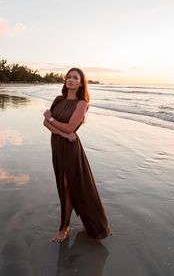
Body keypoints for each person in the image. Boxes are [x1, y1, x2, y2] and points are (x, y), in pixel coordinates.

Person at [43, 68, 110, 243]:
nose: (71, 80)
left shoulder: (82, 103)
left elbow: (69, 127)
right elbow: (46, 124)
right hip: (58, 145)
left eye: (75, 78)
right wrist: (62, 134)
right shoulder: (59, 100)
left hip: (71, 149)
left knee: (69, 187)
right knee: (63, 186)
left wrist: (52, 120)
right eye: (69, 77)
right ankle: (65, 224)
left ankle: (64, 228)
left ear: (81, 83)